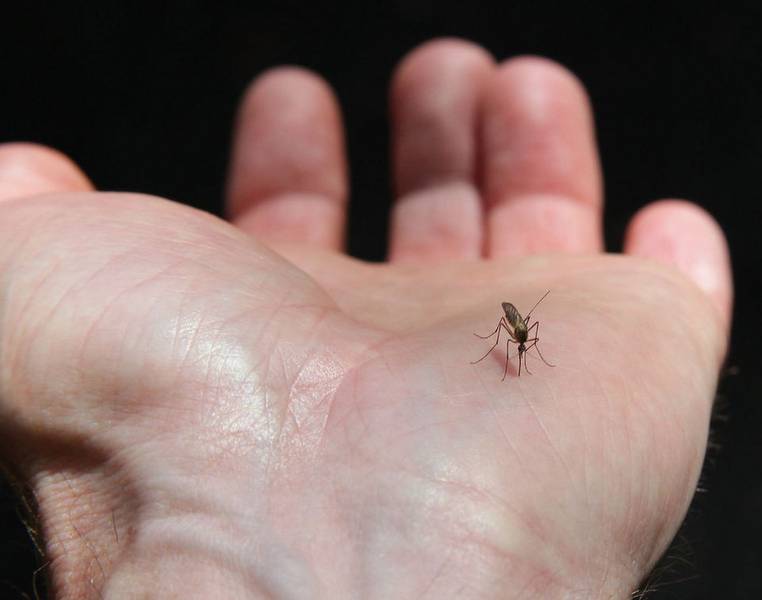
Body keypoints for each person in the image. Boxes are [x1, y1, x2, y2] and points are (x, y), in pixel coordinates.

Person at [0, 38, 731, 598]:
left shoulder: (523, 333)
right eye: (515, 335)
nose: (516, 338)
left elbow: (524, 332)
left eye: (518, 337)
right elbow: (510, 330)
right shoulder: (506, 330)